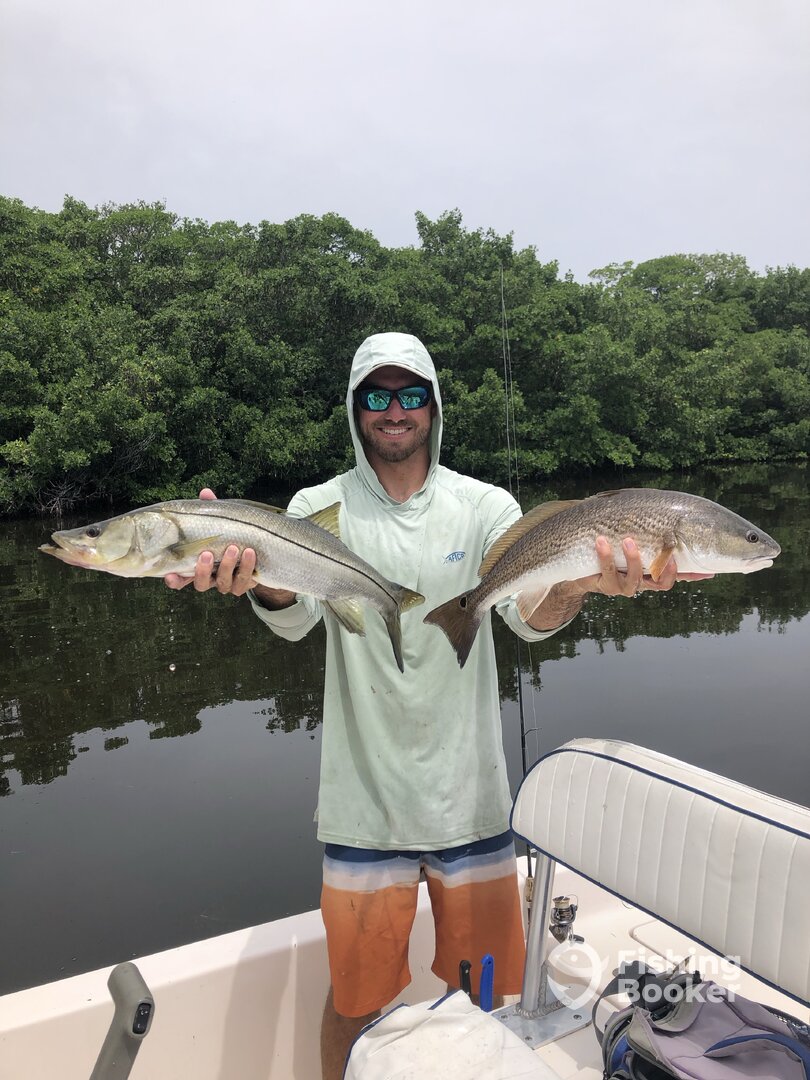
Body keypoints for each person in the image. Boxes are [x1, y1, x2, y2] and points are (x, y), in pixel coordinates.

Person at [165, 332, 713, 1080]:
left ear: (434, 404)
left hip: (472, 802)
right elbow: (293, 617)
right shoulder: (314, 508)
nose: (395, 411)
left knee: (485, 1001)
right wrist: (258, 578)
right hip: (364, 807)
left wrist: (581, 583)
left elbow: (528, 617)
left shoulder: (485, 506)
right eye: (377, 395)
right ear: (355, 407)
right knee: (356, 1005)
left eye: (411, 394)